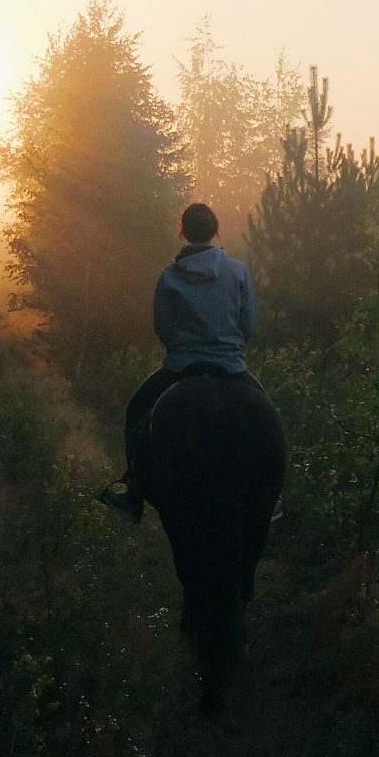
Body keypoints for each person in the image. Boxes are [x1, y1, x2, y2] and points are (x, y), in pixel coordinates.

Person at [100, 202, 267, 524]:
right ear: (216, 230)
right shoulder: (238, 271)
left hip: (181, 368)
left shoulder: (169, 275)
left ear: (183, 232)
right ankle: (270, 495)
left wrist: (184, 349)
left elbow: (162, 328)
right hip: (231, 368)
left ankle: (132, 495)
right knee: (266, 416)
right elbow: (249, 323)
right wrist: (228, 348)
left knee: (137, 410)